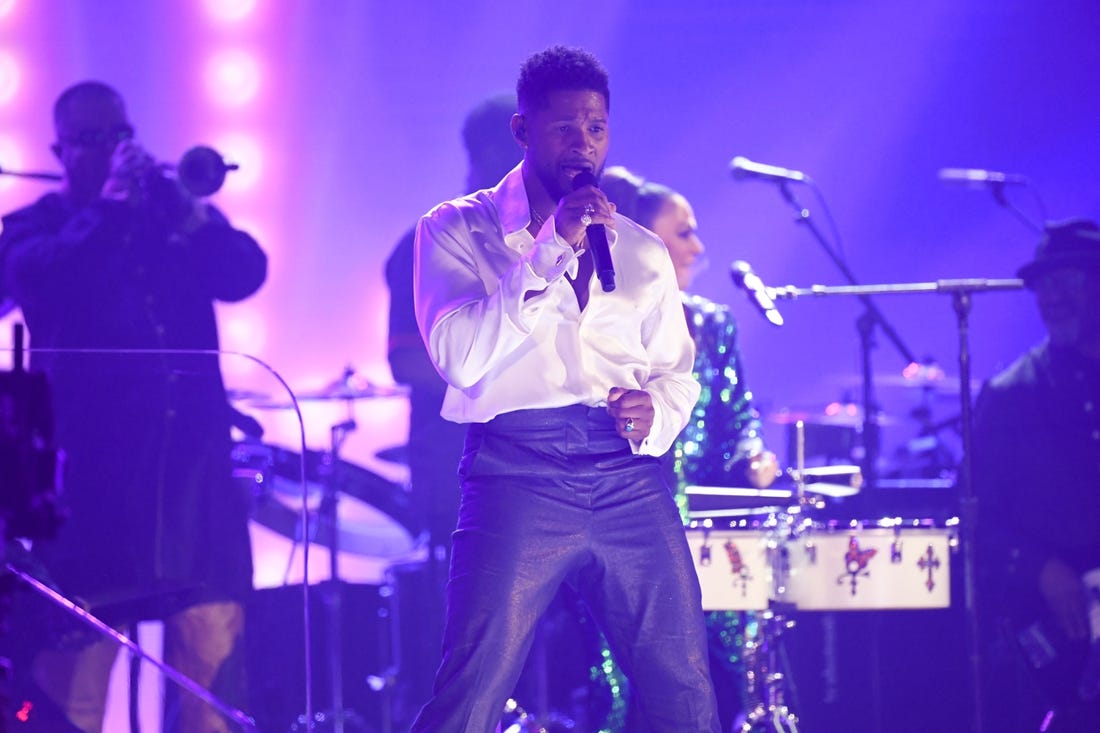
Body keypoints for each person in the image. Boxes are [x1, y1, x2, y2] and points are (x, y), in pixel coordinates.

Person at [408, 46, 721, 732]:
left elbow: (676, 370)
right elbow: (461, 357)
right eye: (565, 129)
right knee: (472, 687)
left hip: (626, 475)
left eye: (597, 129)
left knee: (684, 687)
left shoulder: (638, 248)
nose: (584, 146)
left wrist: (654, 411)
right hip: (517, 469)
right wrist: (552, 248)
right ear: (523, 130)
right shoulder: (456, 229)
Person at [0, 80, 266, 732]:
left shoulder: (169, 217)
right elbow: (36, 279)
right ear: (59, 149)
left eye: (119, 134)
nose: (110, 150)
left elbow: (243, 272)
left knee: (207, 672)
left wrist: (190, 215)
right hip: (89, 489)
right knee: (73, 690)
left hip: (192, 479)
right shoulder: (36, 225)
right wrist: (112, 209)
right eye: (91, 139)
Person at [596, 165, 779, 731]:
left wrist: (753, 453)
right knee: (624, 678)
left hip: (706, 526)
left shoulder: (714, 325)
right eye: (682, 233)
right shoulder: (602, 321)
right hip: (621, 520)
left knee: (723, 673)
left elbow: (739, 415)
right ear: (641, 243)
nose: (698, 247)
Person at [382, 91, 521, 727]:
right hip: (454, 468)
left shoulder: (555, 237)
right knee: (465, 626)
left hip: (539, 458)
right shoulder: (431, 238)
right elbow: (406, 362)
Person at [973, 218, 1100, 732]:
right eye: (1042, 284)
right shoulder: (1010, 396)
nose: (1053, 296)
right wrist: (1041, 568)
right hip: (1058, 638)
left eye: (1068, 280)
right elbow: (980, 517)